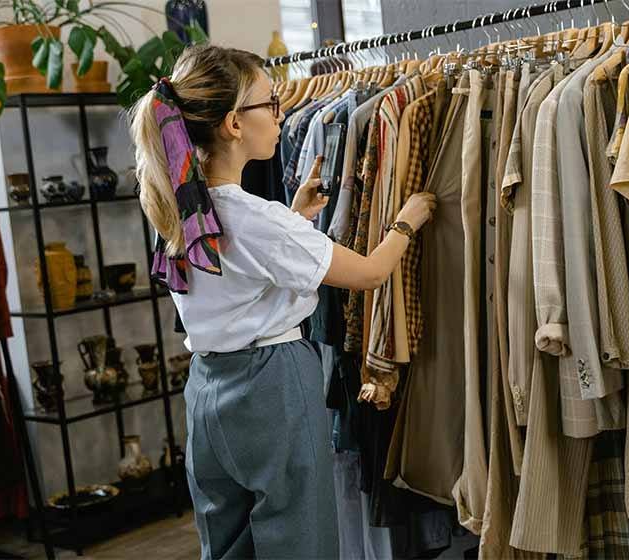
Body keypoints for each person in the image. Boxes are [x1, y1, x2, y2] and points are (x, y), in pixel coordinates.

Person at [129, 44, 436, 559]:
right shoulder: (255, 219)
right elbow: (368, 273)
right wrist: (409, 218)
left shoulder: (180, 204)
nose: (282, 114)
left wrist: (295, 214)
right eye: (270, 105)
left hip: (207, 388)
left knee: (226, 538)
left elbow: (241, 271)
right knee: (300, 534)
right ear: (233, 123)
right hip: (271, 384)